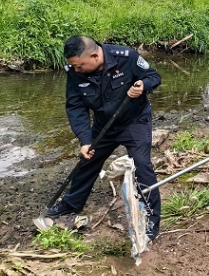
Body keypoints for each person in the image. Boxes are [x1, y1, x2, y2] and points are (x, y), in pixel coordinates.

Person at [47, 35, 163, 241]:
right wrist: (85, 140)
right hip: (104, 125)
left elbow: (154, 76)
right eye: (72, 66)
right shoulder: (75, 73)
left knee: (142, 165)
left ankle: (151, 218)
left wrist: (143, 86)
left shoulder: (126, 57)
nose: (76, 69)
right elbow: (75, 107)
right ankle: (71, 203)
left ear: (94, 56)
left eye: (79, 65)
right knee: (87, 160)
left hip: (134, 121)